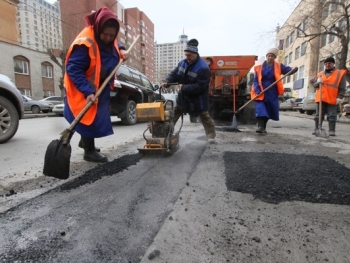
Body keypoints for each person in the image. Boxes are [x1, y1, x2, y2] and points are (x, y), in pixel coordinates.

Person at [63, 7, 128, 162]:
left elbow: (114, 43)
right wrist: (87, 91)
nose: (108, 38)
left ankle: (85, 142)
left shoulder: (109, 38)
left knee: (95, 118)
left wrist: (122, 49)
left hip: (100, 86)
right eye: (105, 34)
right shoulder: (85, 43)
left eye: (112, 35)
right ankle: (89, 151)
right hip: (83, 87)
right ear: (98, 27)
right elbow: (73, 68)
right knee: (88, 118)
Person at [160, 39, 216, 141]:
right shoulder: (182, 63)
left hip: (198, 98)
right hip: (184, 97)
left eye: (189, 55)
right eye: (186, 55)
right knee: (175, 113)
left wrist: (184, 87)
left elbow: (200, 86)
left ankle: (211, 136)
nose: (187, 57)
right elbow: (174, 74)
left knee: (204, 116)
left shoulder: (203, 68)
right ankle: (167, 133)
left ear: (195, 54)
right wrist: (167, 81)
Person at [252, 48, 298, 133]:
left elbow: (288, 70)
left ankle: (263, 127)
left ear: (275, 57)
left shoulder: (278, 66)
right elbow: (255, 80)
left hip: (272, 90)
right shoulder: (259, 67)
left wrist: (294, 69)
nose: (270, 57)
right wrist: (257, 91)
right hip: (260, 89)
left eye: (272, 56)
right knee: (261, 108)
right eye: (269, 56)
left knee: (269, 109)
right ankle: (260, 127)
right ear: (266, 56)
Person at [310, 57, 347, 136]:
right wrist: (317, 82)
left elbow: (343, 88)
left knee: (332, 115)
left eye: (329, 63)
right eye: (326, 64)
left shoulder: (339, 74)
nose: (327, 65)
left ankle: (331, 130)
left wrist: (340, 97)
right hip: (321, 98)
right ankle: (317, 129)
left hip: (332, 98)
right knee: (319, 115)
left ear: (333, 64)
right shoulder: (320, 74)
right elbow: (314, 86)